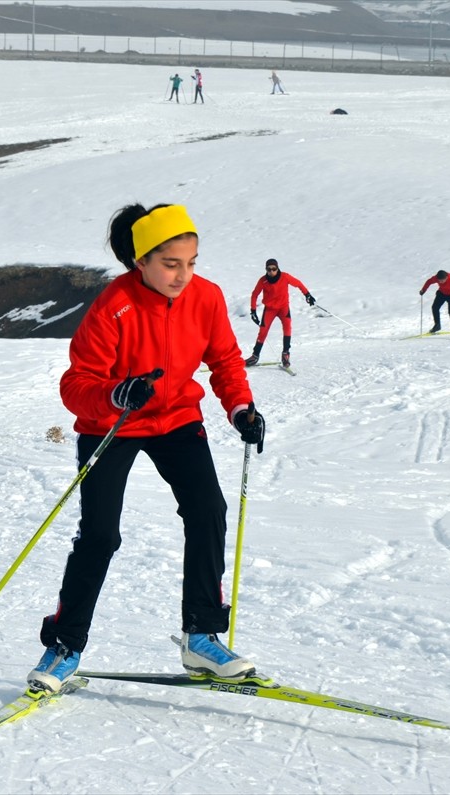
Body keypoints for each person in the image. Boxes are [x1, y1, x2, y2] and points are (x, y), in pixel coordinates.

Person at [27, 203, 267, 695]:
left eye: (192, 262)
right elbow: (77, 384)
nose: (183, 275)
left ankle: (200, 635)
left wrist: (241, 408)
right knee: (100, 534)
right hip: (111, 423)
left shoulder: (207, 298)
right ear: (141, 261)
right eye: (170, 263)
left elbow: (224, 362)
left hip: (177, 417)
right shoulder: (113, 305)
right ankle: (65, 647)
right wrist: (116, 394)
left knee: (208, 511)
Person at [245, 258, 314, 369]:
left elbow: (298, 284)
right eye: (269, 269)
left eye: (274, 269)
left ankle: (285, 354)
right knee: (263, 331)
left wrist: (307, 295)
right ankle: (255, 356)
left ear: (277, 268)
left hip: (283, 308)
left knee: (287, 328)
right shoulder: (263, 280)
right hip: (270, 309)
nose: (271, 271)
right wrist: (253, 311)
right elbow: (254, 294)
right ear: (266, 270)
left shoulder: (285, 277)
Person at [419, 269, 450, 338]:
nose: (441, 282)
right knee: (435, 307)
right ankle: (437, 325)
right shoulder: (436, 278)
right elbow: (429, 282)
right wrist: (423, 290)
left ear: (446, 277)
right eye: (439, 281)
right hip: (442, 293)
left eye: (442, 280)